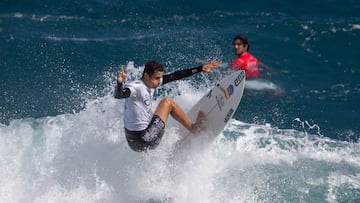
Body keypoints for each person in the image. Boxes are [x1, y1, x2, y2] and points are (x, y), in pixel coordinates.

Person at [114, 60, 220, 152]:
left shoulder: (150, 82)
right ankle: (195, 129)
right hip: (144, 140)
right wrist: (119, 83)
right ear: (146, 76)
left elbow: (175, 76)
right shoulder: (135, 88)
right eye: (157, 78)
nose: (159, 81)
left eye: (160, 78)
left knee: (153, 109)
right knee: (167, 103)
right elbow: (119, 95)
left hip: (133, 143)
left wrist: (200, 68)